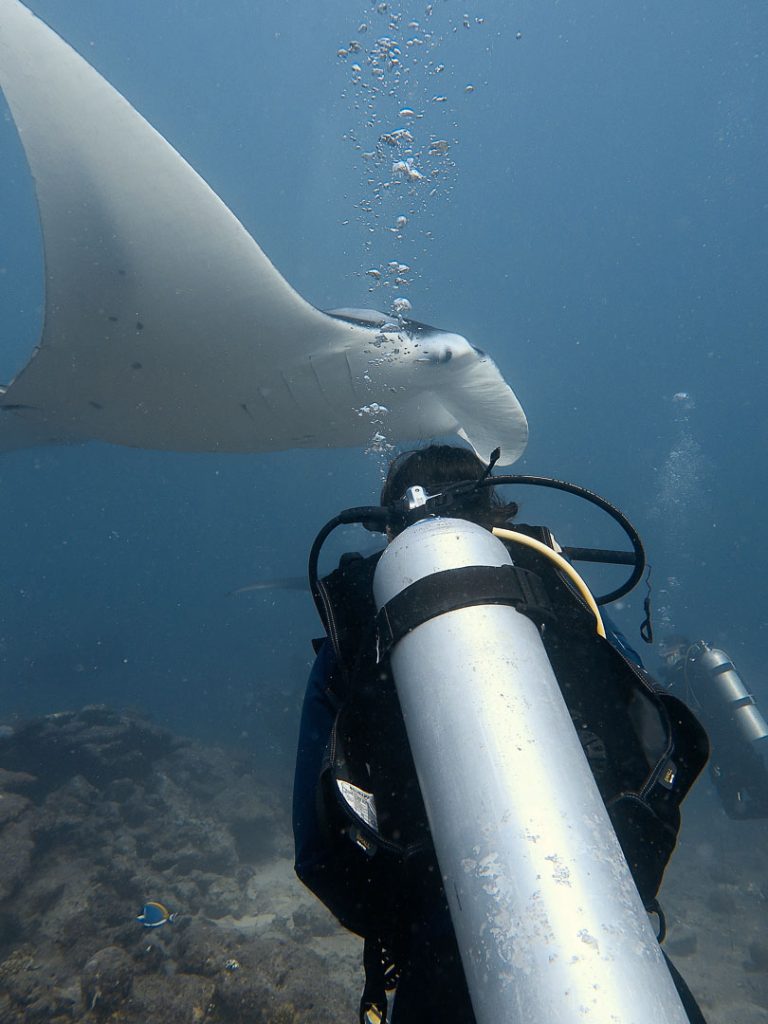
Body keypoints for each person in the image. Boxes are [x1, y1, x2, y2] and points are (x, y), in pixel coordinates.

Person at [293, 444, 708, 1023]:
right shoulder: (557, 590)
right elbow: (657, 743)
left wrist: (419, 924)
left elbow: (317, 854)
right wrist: (617, 882)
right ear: (497, 511)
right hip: (611, 944)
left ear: (389, 527)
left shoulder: (359, 628)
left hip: (437, 964)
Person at [660, 636, 768, 819]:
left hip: (726, 751)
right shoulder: (698, 671)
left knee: (738, 808)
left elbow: (682, 715)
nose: (663, 654)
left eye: (666, 648)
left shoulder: (685, 674)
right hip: (735, 745)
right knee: (745, 804)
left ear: (679, 648)